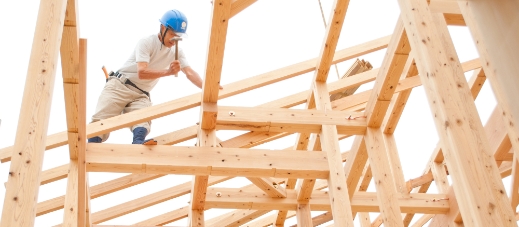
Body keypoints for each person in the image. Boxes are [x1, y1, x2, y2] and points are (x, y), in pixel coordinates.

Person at [88, 9, 212, 144]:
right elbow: (142, 72)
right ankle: (90, 151)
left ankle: (138, 146)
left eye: (178, 36)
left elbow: (190, 73)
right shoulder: (147, 42)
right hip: (120, 86)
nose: (174, 40)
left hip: (141, 94)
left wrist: (210, 88)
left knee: (143, 120)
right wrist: (168, 72)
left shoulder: (177, 53)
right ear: (162, 28)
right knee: (100, 123)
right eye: (172, 34)